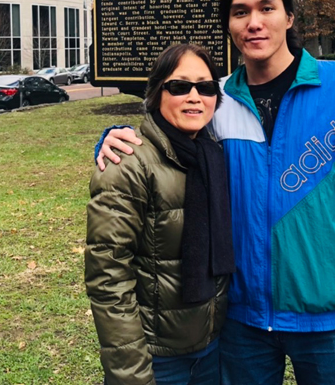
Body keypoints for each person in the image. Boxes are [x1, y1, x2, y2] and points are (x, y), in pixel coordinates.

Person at [97, 0, 335, 384]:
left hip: (327, 315)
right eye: (239, 12)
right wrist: (112, 138)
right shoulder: (215, 100)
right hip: (241, 321)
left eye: (266, 8)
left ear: (289, 18)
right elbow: (161, 140)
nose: (253, 23)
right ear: (229, 25)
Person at [85, 43, 234, 385]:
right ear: (156, 94)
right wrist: (131, 373)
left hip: (213, 346)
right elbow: (108, 278)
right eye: (180, 86)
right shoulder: (127, 165)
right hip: (159, 359)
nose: (195, 97)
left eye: (206, 87)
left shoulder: (216, 155)